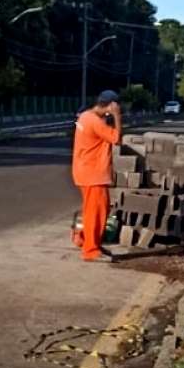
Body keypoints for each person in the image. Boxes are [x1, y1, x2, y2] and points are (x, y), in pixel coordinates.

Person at [72, 90, 122, 263]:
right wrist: (116, 116)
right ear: (110, 106)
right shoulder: (96, 122)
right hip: (93, 174)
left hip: (83, 171)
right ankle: (91, 251)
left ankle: (85, 240)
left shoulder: (85, 116)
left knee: (92, 210)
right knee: (97, 212)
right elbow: (116, 138)